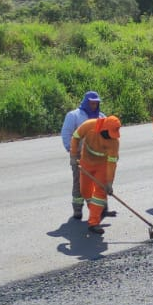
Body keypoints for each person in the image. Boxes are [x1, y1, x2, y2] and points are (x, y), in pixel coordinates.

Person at [70, 114, 121, 235]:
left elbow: (111, 164)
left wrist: (109, 183)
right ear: (104, 129)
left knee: (100, 193)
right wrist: (73, 155)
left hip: (102, 167)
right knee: (85, 191)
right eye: (109, 134)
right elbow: (75, 137)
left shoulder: (114, 143)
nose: (111, 137)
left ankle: (94, 222)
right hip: (86, 163)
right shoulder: (89, 125)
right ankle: (96, 210)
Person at [61, 91, 101, 220]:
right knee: (79, 182)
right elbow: (66, 133)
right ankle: (77, 209)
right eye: (91, 102)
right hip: (78, 155)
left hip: (96, 155)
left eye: (96, 103)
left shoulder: (101, 117)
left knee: (97, 183)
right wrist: (72, 151)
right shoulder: (74, 115)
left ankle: (97, 210)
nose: (94, 105)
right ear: (86, 102)